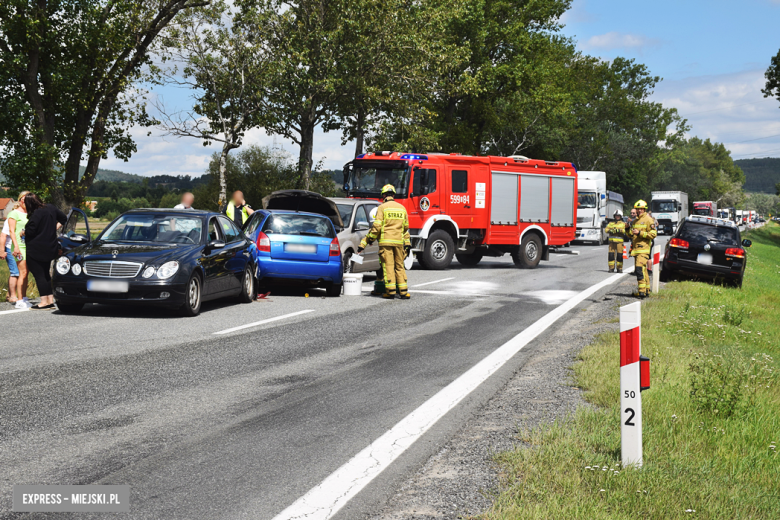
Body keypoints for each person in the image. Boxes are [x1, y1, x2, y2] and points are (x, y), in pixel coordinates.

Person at [357, 184, 411, 299]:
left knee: (388, 266)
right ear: (394, 195)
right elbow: (405, 228)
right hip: (399, 242)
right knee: (400, 266)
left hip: (386, 243)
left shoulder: (382, 208)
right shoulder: (402, 208)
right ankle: (403, 291)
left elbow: (376, 227)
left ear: (384, 195)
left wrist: (368, 240)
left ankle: (391, 291)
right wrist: (407, 243)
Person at [23, 193, 68, 310]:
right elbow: (63, 218)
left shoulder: (36, 213)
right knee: (46, 274)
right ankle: (50, 300)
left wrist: (24, 232)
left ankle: (43, 302)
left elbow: (31, 231)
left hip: (36, 248)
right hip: (50, 246)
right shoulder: (51, 208)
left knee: (39, 275)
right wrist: (53, 228)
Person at [628, 200, 657, 298]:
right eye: (637, 209)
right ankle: (647, 290)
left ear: (644, 209)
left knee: (639, 270)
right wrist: (627, 229)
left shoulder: (648, 220)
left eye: (641, 209)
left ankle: (641, 292)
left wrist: (640, 233)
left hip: (644, 250)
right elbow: (630, 235)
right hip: (636, 250)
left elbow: (653, 234)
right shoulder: (635, 221)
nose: (639, 210)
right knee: (643, 271)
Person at [7, 191, 30, 308]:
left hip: (29, 246)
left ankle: (24, 297)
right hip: (19, 246)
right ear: (19, 200)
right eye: (23, 199)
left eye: (27, 199)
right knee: (23, 272)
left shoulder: (31, 213)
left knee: (27, 273)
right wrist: (15, 246)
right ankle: (19, 300)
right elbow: (11, 231)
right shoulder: (14, 213)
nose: (24, 201)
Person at [0, 204, 21, 303]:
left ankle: (9, 294)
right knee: (15, 272)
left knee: (20, 272)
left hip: (20, 249)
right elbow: (3, 236)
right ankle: (13, 296)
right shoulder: (9, 220)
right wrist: (1, 251)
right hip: (10, 248)